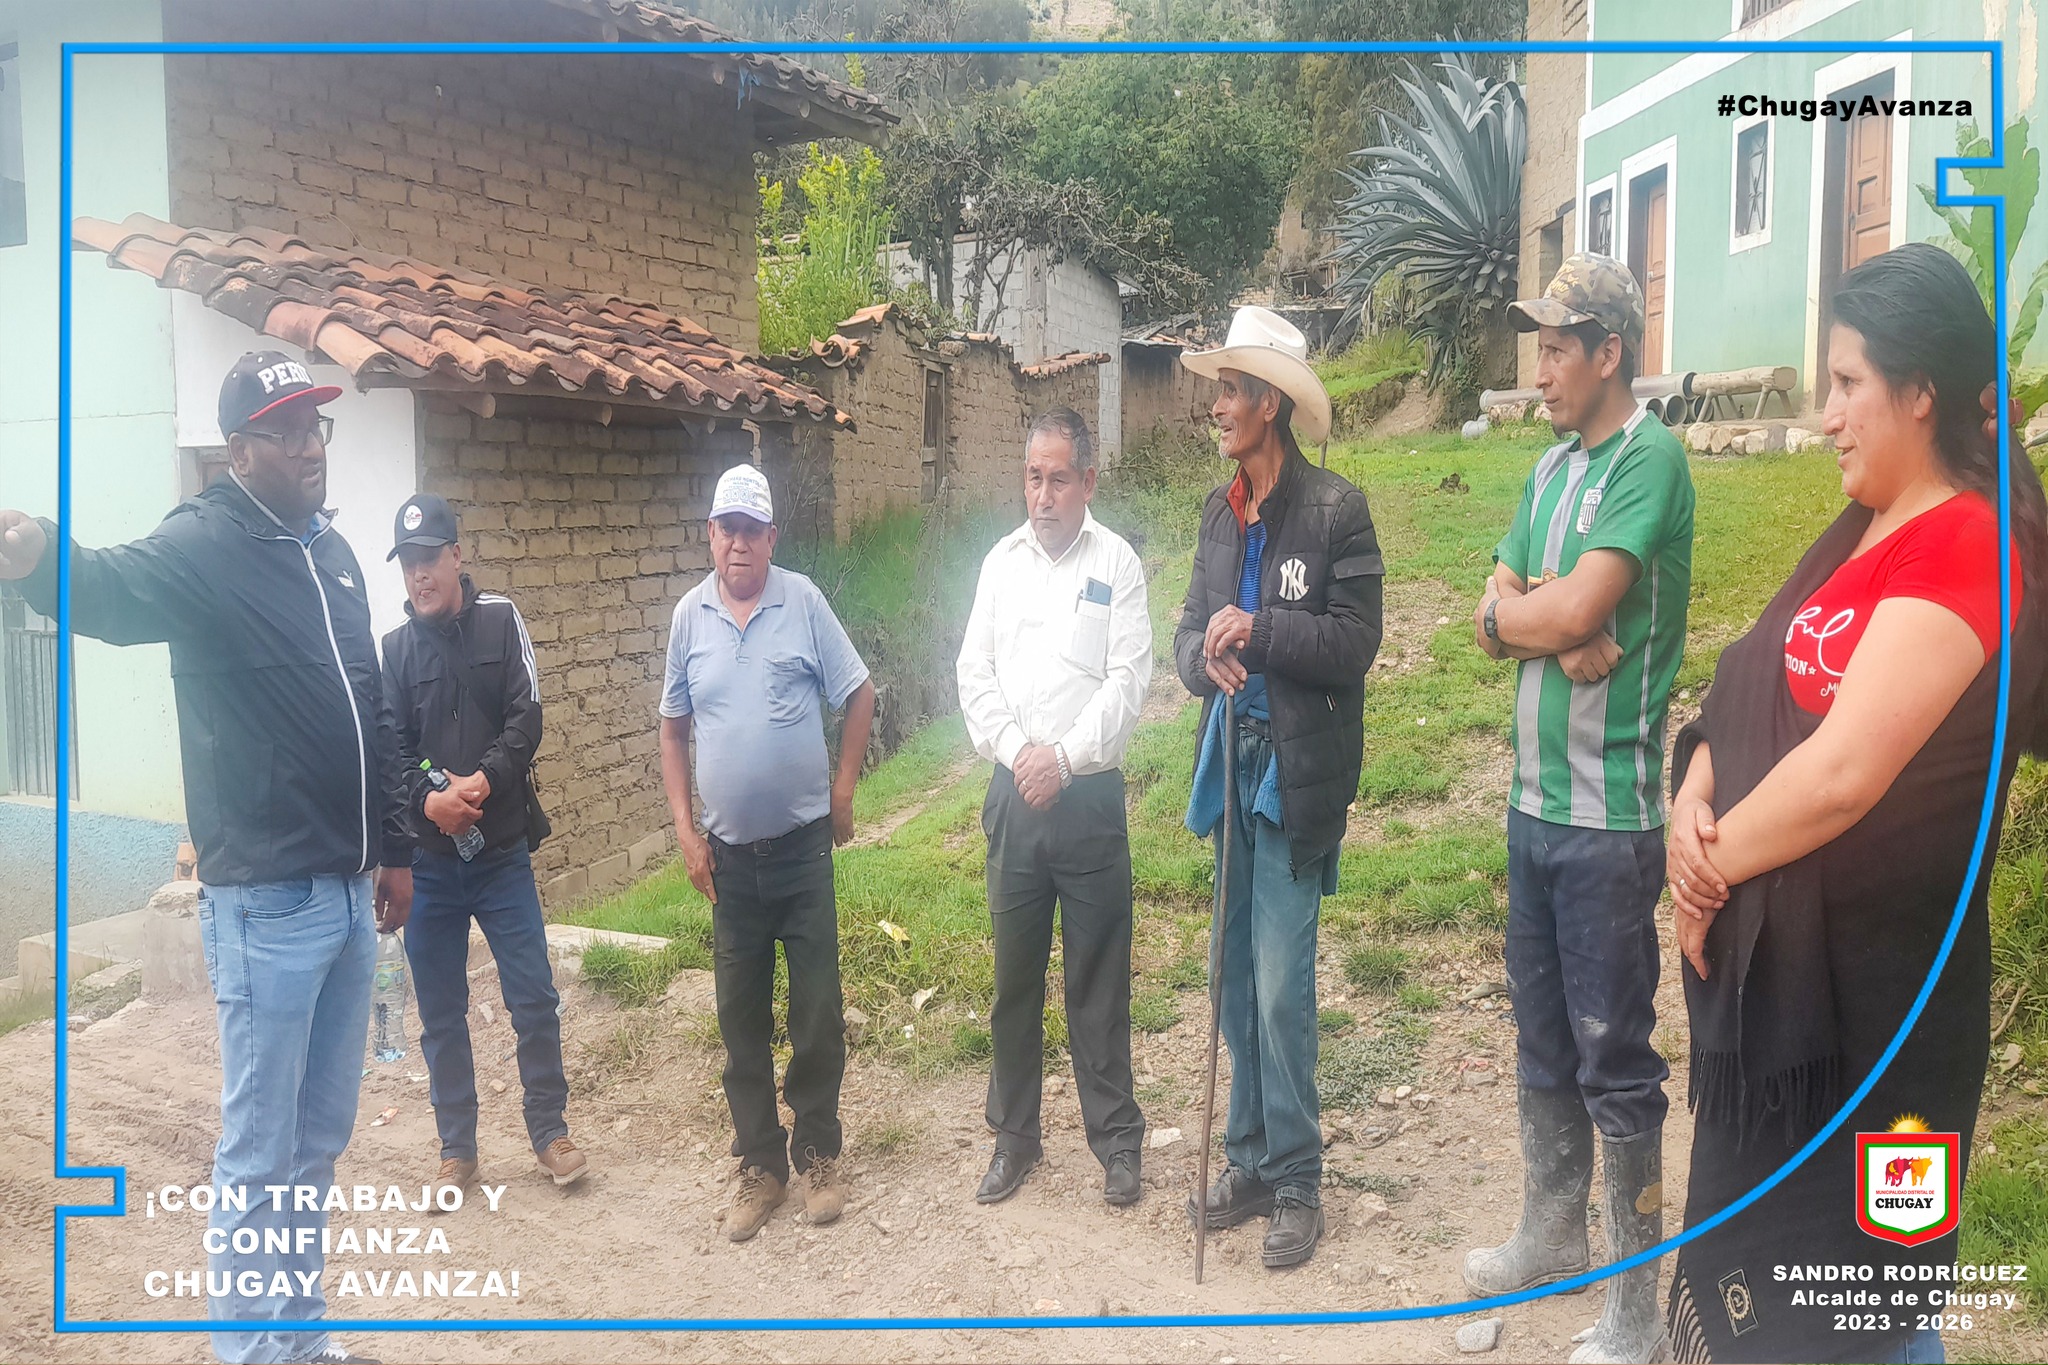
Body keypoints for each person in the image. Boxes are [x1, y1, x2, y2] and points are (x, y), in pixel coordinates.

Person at [1661, 244, 2048, 1365]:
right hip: (1790, 1027)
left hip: (1884, 1027)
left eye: (1844, 385)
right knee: (1790, 1302)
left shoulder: (1969, 548)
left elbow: (1841, 775)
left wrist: (1708, 865)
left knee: (1868, 1307)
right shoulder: (1866, 529)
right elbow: (1751, 681)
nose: (1824, 412)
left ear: (1918, 394)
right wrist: (1696, 783)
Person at [0, 351, 410, 1365]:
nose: (309, 445)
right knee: (260, 1155)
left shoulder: (333, 553)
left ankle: (301, 1342)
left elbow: (376, 709)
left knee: (315, 1145)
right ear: (239, 451)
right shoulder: (204, 545)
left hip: (352, 897)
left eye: (315, 426)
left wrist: (395, 846)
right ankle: (249, 1353)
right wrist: (39, 553)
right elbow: (110, 588)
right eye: (284, 430)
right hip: (267, 908)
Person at [1463, 253, 1695, 1365]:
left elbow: (1575, 602)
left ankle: (1634, 1310)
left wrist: (1546, 613)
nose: (1540, 366)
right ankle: (1549, 1233)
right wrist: (1542, 618)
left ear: (1610, 352)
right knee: (1543, 1041)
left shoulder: (1647, 460)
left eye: (1559, 346)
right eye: (1537, 345)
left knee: (1615, 1062)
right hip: (1528, 811)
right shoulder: (1550, 469)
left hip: (1607, 824)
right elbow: (1489, 599)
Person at [1174, 306, 1384, 1268]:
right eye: (1219, 389)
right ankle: (1251, 1160)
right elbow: (1187, 635)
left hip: (1295, 773)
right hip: (1232, 759)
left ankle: (1299, 1178)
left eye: (1228, 390)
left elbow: (1353, 644)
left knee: (1281, 982)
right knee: (1233, 973)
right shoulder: (1221, 512)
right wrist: (1202, 662)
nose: (1215, 406)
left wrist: (1254, 632)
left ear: (1268, 402)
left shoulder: (1336, 509)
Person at [657, 462, 877, 1244]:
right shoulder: (689, 616)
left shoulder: (804, 601)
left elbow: (858, 692)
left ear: (771, 537)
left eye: (753, 530)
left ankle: (817, 1149)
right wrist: (685, 830)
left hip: (802, 850)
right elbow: (674, 730)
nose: (739, 544)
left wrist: (844, 790)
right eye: (727, 529)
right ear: (710, 534)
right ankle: (761, 1163)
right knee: (739, 1018)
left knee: (817, 1008)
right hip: (728, 861)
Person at [955, 407, 1153, 1207]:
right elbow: (974, 674)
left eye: (1059, 478)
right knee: (1014, 977)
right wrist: (1019, 755)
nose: (1044, 495)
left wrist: (1063, 760)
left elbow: (1129, 679)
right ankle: (1015, 1138)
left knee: (1099, 980)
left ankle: (1116, 1143)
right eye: (1034, 477)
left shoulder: (1120, 564)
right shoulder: (1000, 564)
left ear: (1088, 481)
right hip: (1014, 793)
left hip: (1090, 797)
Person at [379, 492, 587, 1199]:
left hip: (498, 856)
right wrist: (431, 798)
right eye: (407, 563)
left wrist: (482, 783)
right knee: (440, 1011)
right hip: (433, 866)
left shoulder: (502, 620)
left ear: (456, 556)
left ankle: (549, 1132)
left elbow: (528, 717)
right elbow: (394, 751)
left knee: (533, 995)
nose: (418, 574)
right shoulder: (396, 650)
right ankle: (456, 1150)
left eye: (428, 559)